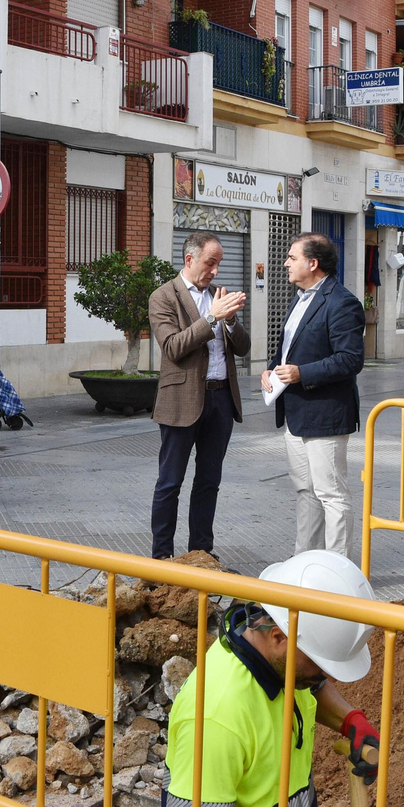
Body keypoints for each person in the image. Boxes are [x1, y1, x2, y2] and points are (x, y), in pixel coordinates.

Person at [159, 550, 379, 807]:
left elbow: (312, 687)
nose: (327, 676)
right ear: (277, 636)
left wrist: (350, 721)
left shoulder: (279, 664)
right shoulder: (218, 716)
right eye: (320, 663)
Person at [147, 232, 250, 561]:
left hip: (220, 399)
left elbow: (244, 348)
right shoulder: (164, 296)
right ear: (189, 259)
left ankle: (202, 553)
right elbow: (173, 347)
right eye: (210, 263)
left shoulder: (218, 297)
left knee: (209, 481)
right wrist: (211, 318)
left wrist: (230, 321)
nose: (215, 271)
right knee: (170, 482)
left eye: (219, 263)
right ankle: (161, 559)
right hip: (181, 401)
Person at [262, 234, 365, 557]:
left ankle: (337, 567)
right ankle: (304, 561)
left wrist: (301, 374)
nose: (286, 263)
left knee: (331, 494)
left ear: (313, 263)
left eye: (292, 258)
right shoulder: (300, 298)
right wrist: (271, 369)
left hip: (325, 414)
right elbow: (289, 349)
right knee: (306, 491)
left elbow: (350, 359)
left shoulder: (342, 302)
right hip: (296, 413)